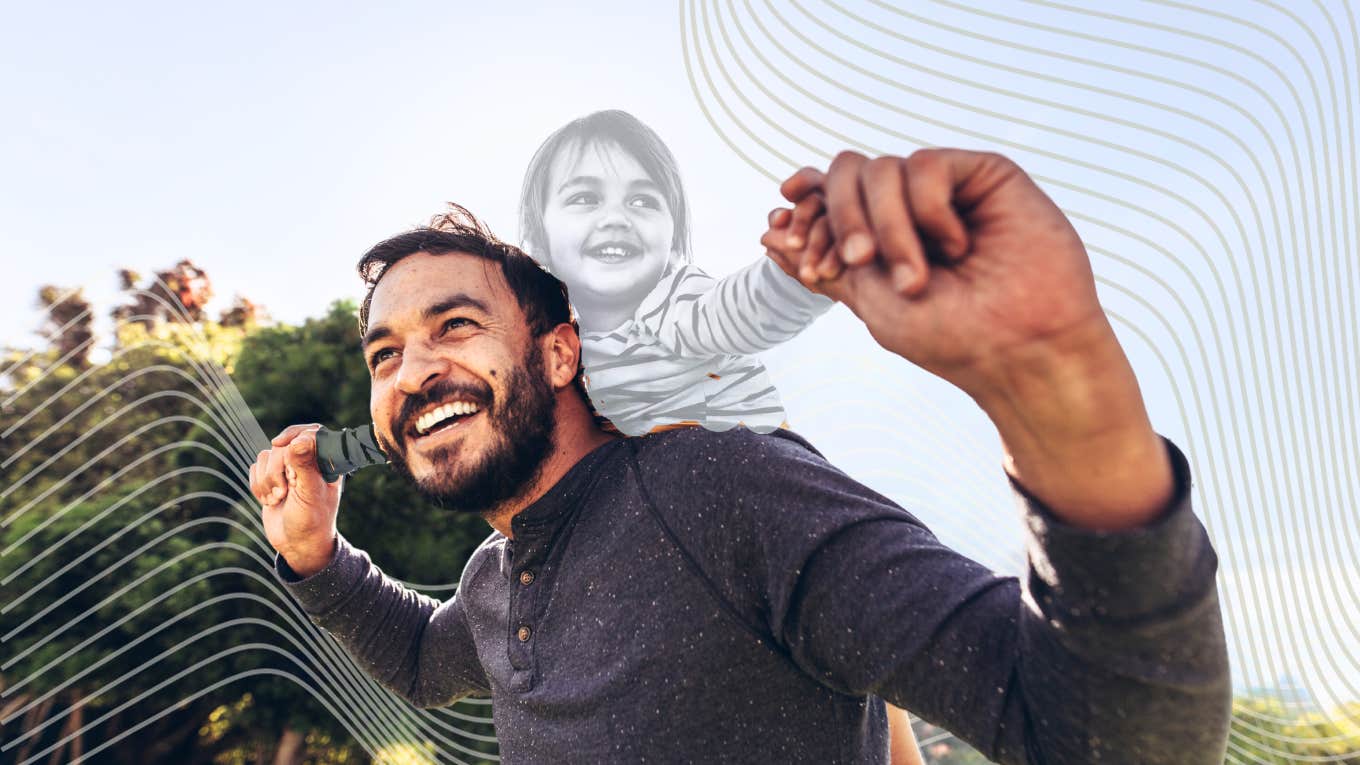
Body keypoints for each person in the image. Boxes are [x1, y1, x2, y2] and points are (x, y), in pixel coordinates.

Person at [253, 148, 1231, 763]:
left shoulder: (716, 489)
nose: (410, 374)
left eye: (453, 326)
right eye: (384, 355)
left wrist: (1060, 385)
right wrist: (315, 557)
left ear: (560, 350)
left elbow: (1109, 736)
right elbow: (428, 661)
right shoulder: (498, 578)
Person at [514, 109, 835, 435]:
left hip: (757, 468)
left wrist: (799, 270)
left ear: (675, 242)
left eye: (642, 201)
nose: (616, 218)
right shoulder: (562, 351)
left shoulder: (676, 302)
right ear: (539, 240)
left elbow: (743, 310)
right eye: (585, 198)